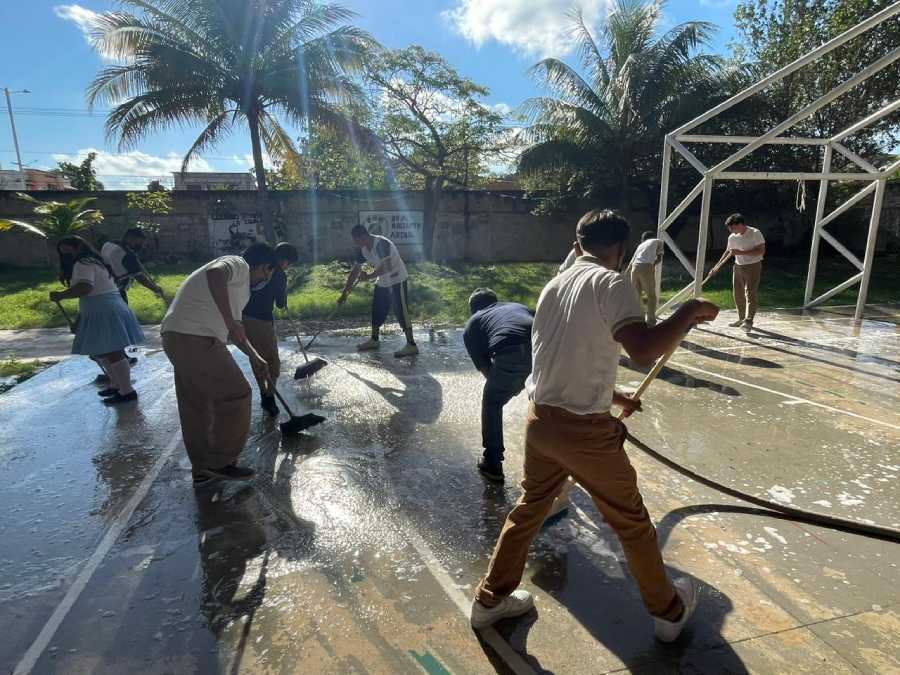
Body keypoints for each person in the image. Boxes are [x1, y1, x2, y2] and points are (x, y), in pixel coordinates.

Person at [470, 209, 719, 644]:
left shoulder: (555, 284)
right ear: (620, 250)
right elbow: (642, 350)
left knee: (530, 509)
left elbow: (571, 352)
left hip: (540, 421)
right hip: (583, 432)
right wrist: (688, 312)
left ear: (578, 241)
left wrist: (616, 396)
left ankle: (489, 601)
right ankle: (669, 612)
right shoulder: (611, 281)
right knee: (632, 522)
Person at [161, 242, 276, 485]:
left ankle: (204, 469)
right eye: (267, 273)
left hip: (176, 335)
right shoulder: (238, 264)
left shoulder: (238, 290)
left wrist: (255, 357)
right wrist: (228, 320)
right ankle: (222, 462)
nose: (265, 279)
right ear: (264, 266)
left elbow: (235, 331)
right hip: (196, 337)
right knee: (238, 393)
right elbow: (216, 274)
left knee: (196, 404)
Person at [50, 236, 145, 405]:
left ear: (78, 246)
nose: (66, 255)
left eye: (68, 250)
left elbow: (86, 287)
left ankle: (127, 391)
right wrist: (80, 319)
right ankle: (117, 385)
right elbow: (90, 293)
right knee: (102, 351)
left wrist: (62, 295)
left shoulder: (84, 263)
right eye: (62, 252)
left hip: (104, 309)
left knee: (113, 351)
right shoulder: (93, 261)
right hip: (101, 307)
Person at [463, 288, 533, 483]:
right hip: (545, 351)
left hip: (511, 353)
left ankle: (493, 464)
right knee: (546, 402)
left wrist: (510, 384)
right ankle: (556, 460)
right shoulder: (518, 307)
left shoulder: (473, 323)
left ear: (473, 309)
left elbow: (486, 370)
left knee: (492, 404)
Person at [337, 224, 418, 358]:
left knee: (401, 312)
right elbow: (355, 272)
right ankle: (374, 340)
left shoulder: (381, 244)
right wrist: (344, 293)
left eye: (356, 240)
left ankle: (412, 345)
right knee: (377, 309)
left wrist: (368, 276)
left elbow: (388, 266)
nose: (355, 244)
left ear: (363, 236)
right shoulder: (362, 249)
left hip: (397, 278)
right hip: (383, 281)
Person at [242, 242, 299, 417]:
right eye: (289, 264)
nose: (287, 267)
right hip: (260, 320)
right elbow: (280, 304)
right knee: (272, 360)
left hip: (243, 316)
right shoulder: (278, 273)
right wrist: (283, 298)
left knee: (256, 357)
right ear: (285, 261)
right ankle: (270, 397)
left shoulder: (259, 265)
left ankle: (263, 393)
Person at [710, 213, 765, 331]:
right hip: (738, 266)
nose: (731, 231)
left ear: (740, 224)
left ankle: (749, 321)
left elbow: (760, 251)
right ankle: (741, 318)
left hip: (753, 265)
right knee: (738, 293)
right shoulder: (732, 237)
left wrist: (740, 252)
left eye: (732, 228)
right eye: (729, 229)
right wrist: (716, 267)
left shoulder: (755, 233)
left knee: (750, 293)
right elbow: (727, 252)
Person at [101, 228, 165, 303]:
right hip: (116, 290)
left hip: (102, 286)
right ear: (131, 238)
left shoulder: (109, 244)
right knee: (123, 313)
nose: (142, 246)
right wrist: (155, 289)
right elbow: (140, 278)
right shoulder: (127, 254)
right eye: (140, 242)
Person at [629, 231, 664, 326]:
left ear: (643, 239)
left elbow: (632, 261)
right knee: (651, 296)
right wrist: (652, 265)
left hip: (634, 268)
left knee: (636, 295)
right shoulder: (659, 241)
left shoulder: (640, 246)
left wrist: (626, 274)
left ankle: (636, 319)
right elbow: (659, 258)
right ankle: (651, 321)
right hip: (646, 267)